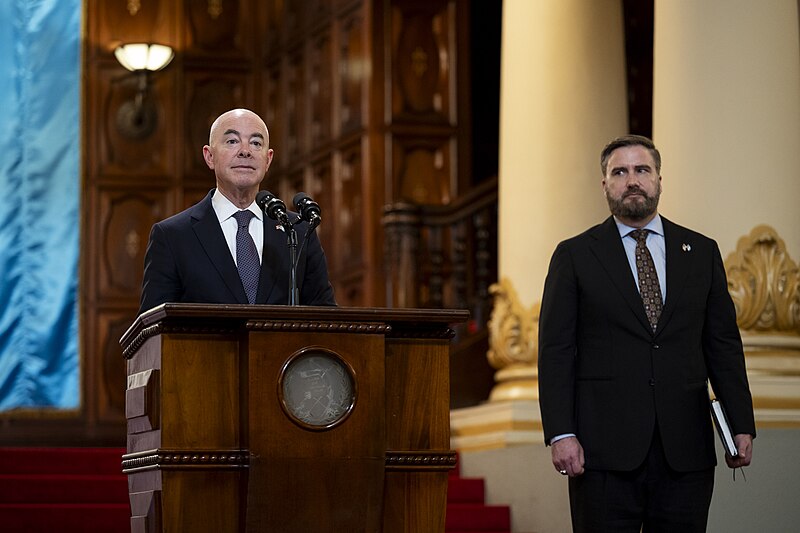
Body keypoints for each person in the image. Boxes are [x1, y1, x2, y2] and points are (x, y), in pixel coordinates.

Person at [538, 135, 755, 531]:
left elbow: (722, 345)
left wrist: (740, 423)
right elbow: (555, 351)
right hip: (602, 454)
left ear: (658, 180)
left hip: (685, 451)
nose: (632, 180)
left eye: (642, 170)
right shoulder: (574, 256)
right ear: (604, 184)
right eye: (619, 172)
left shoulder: (702, 252)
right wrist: (561, 433)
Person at [139, 108, 336, 314]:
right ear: (209, 156)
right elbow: (154, 328)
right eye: (232, 141)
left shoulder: (298, 230)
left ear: (268, 160)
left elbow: (325, 316)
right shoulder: (173, 236)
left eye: (256, 143)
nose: (245, 151)